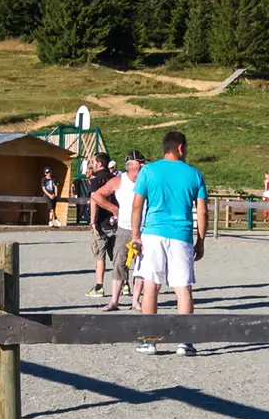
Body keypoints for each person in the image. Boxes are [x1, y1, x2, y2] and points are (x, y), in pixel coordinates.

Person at [131, 130, 208, 357]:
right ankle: (184, 341)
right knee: (182, 288)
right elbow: (202, 210)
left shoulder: (148, 171)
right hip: (181, 234)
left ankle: (149, 340)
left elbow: (137, 206)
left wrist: (136, 235)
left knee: (151, 286)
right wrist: (200, 240)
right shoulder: (194, 174)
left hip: (153, 233)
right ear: (181, 148)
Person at [93, 150, 145, 311]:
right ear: (130, 166)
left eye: (144, 163)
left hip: (145, 228)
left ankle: (136, 301)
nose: (143, 165)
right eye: (140, 163)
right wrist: (114, 209)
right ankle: (114, 301)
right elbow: (97, 195)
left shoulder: (148, 180)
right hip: (124, 227)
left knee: (142, 265)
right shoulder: (119, 180)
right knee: (119, 263)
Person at [85, 152, 115, 298]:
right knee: (117, 255)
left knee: (100, 255)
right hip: (115, 221)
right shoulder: (116, 178)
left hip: (102, 221)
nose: (92, 164)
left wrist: (92, 221)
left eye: (94, 162)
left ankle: (99, 287)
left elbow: (94, 201)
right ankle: (125, 284)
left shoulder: (95, 180)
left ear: (100, 164)